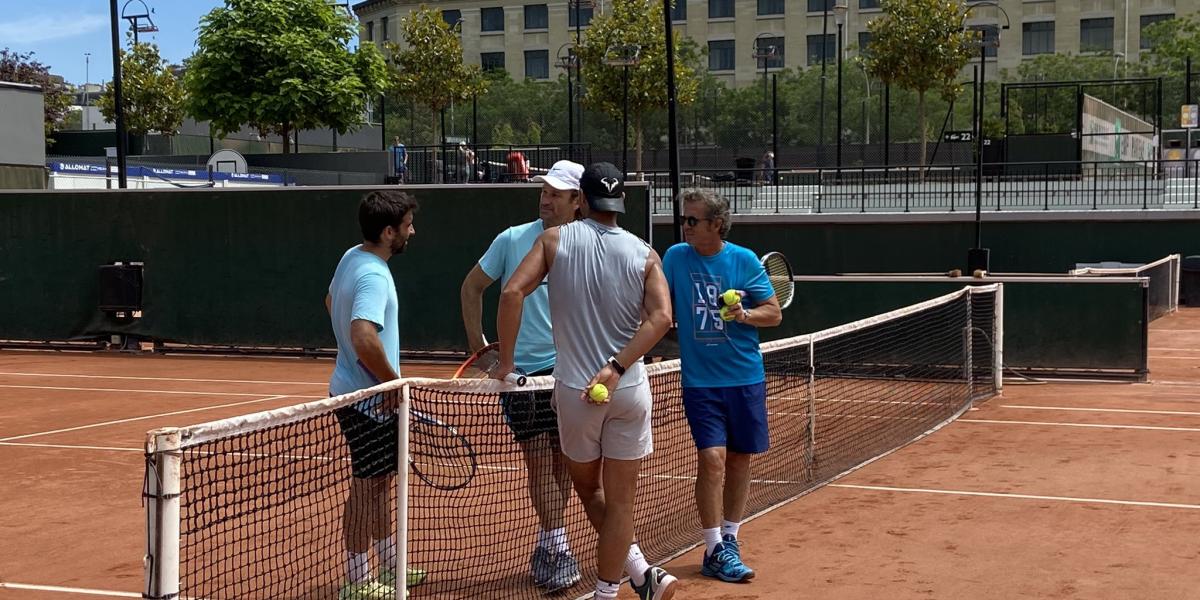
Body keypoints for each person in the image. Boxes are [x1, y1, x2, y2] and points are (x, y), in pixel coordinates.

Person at [493, 162, 678, 600]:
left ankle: (634, 574)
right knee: (621, 504)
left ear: (583, 200)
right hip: (629, 391)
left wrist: (506, 364)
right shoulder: (645, 253)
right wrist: (616, 368)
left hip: (577, 395)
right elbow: (661, 318)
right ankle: (623, 584)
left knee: (587, 488)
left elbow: (511, 292)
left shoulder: (553, 240)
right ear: (621, 201)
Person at [459, 160, 586, 591]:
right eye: (543, 192)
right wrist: (480, 350)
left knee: (563, 462)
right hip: (521, 376)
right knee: (538, 459)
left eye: (555, 194)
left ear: (577, 201)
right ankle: (559, 547)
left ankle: (550, 542)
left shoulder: (589, 244)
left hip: (570, 370)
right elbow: (471, 287)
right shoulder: (512, 239)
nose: (545, 200)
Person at [660, 188, 782, 585]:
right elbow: (657, 306)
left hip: (745, 378)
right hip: (701, 383)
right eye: (683, 219)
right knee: (712, 458)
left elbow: (773, 313)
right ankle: (714, 548)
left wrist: (743, 315)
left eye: (693, 220)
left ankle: (730, 538)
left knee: (739, 461)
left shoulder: (743, 260)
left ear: (716, 224)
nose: (685, 226)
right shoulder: (675, 257)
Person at [325, 190, 424, 600]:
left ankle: (389, 564)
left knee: (380, 482)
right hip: (368, 402)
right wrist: (390, 382)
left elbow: (330, 301)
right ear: (388, 232)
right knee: (366, 487)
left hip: (359, 394)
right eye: (407, 226)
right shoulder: (373, 275)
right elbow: (363, 336)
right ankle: (356, 580)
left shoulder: (352, 256)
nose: (412, 232)